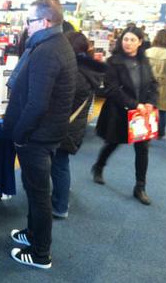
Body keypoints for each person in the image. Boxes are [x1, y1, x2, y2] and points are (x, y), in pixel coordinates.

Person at [4, 0, 77, 269]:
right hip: (45, 132)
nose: (26, 26)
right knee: (35, 189)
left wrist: (20, 134)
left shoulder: (47, 50)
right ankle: (32, 234)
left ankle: (39, 253)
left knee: (38, 193)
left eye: (29, 21)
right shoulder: (54, 43)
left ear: (45, 22)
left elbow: (37, 103)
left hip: (37, 135)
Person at [92, 26, 158, 205]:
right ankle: (99, 166)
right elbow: (112, 90)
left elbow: (153, 84)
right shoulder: (113, 61)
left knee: (142, 150)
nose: (128, 43)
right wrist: (135, 104)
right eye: (126, 39)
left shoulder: (144, 61)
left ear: (140, 42)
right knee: (113, 143)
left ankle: (140, 187)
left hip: (141, 114)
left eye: (132, 40)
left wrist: (151, 102)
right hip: (119, 112)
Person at [51, 31, 107, 219]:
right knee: (60, 163)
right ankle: (62, 194)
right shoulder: (88, 70)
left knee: (59, 164)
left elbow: (59, 100)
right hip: (74, 125)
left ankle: (60, 205)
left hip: (63, 126)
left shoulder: (74, 72)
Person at [145, 30, 166, 138]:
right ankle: (160, 132)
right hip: (164, 84)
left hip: (148, 84)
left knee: (148, 108)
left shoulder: (147, 52)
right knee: (162, 110)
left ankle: (146, 131)